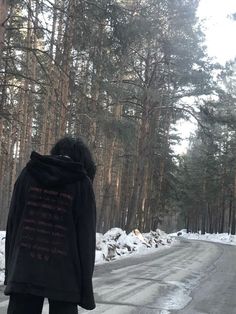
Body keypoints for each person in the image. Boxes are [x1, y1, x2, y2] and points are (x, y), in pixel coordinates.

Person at [4, 136, 97, 314]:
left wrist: (11, 272)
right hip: (65, 277)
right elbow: (86, 241)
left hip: (24, 271)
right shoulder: (81, 184)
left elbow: (13, 225)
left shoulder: (28, 174)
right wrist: (85, 290)